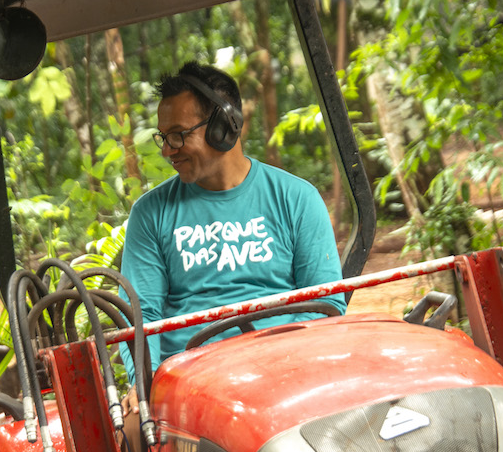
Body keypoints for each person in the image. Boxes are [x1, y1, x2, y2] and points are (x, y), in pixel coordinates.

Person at [119, 61, 346, 400]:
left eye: (179, 135)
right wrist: (145, 387)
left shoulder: (296, 198)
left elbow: (325, 304)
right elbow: (143, 317)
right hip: (194, 387)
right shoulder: (151, 214)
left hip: (288, 373)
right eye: (163, 137)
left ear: (224, 127)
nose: (167, 150)